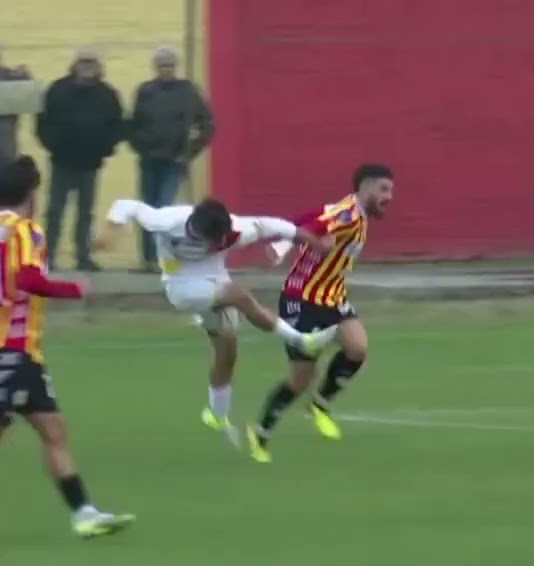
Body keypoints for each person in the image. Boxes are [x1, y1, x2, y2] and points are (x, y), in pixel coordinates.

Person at [98, 198, 340, 446]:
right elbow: (127, 205)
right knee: (240, 296)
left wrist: (317, 245)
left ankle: (216, 414)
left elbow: (280, 227)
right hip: (181, 287)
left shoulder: (236, 229)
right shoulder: (169, 222)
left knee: (227, 349)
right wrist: (111, 229)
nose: (220, 244)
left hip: (215, 281)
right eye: (215, 241)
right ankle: (301, 340)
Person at [0, 155, 135, 537]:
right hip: (12, 350)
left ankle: (84, 512)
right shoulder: (25, 231)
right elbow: (29, 280)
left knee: (53, 430)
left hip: (24, 353)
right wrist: (75, 289)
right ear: (31, 194)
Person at [247, 163, 394, 463]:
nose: (388, 197)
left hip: (332, 296)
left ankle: (320, 403)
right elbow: (313, 225)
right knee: (300, 379)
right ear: (365, 187)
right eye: (383, 189)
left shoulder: (353, 211)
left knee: (357, 348)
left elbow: (314, 215)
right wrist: (283, 244)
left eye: (390, 190)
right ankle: (261, 431)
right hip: (301, 300)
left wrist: (285, 240)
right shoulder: (348, 216)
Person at [35, 48, 124, 272]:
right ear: (75, 65)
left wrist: (105, 149)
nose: (87, 66)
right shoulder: (58, 89)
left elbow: (118, 125)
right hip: (62, 161)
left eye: (91, 62)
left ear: (98, 66)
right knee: (55, 211)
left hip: (90, 163)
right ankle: (48, 256)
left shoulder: (107, 94)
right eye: (83, 62)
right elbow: (43, 121)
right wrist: (53, 144)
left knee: (85, 213)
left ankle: (83, 257)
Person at [128, 46, 215, 274]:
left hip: (175, 161)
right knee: (147, 210)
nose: (165, 69)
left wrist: (189, 153)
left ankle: (166, 260)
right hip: (149, 160)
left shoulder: (187, 91)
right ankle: (148, 259)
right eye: (161, 65)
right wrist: (139, 146)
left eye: (169, 65)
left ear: (175, 66)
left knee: (165, 210)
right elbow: (134, 124)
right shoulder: (145, 91)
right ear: (155, 67)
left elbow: (206, 124)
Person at [0, 46, 34, 162]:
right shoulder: (9, 76)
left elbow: (30, 101)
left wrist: (25, 78)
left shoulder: (10, 76)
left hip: (6, 149)